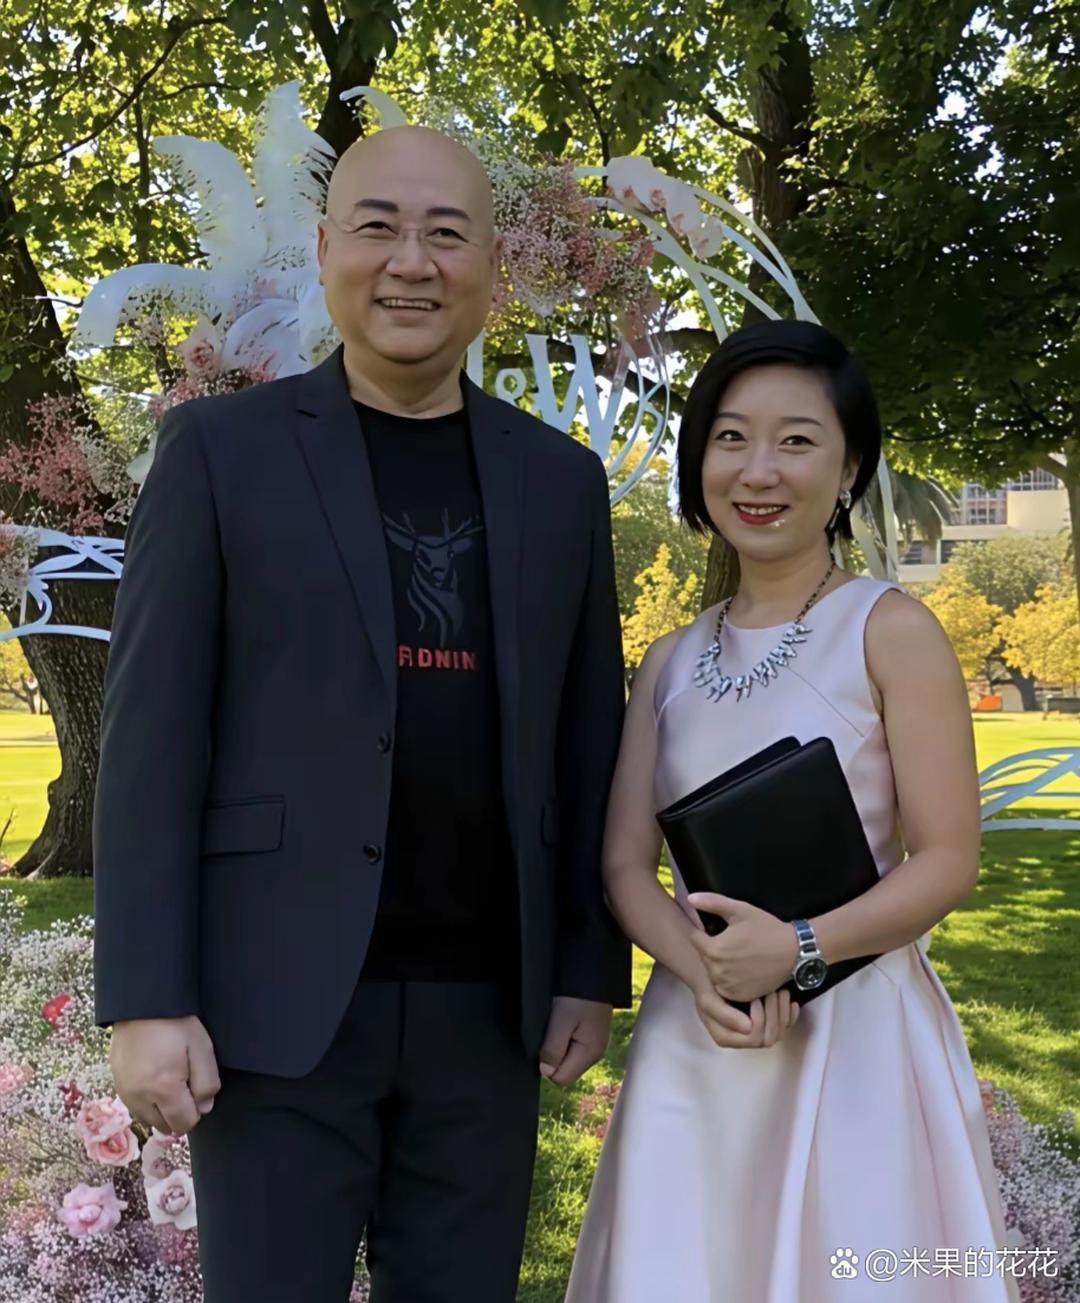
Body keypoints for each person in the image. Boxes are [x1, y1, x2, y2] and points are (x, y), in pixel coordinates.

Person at [93, 125, 630, 1303]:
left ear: (493, 267)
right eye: (380, 227)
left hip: (488, 1014)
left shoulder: (558, 481)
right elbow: (149, 745)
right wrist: (145, 998)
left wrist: (589, 964)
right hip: (273, 1006)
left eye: (447, 233)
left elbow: (589, 738)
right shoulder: (219, 454)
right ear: (328, 249)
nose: (411, 261)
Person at [565, 319, 1018, 1302]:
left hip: (857, 1034)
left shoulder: (890, 630)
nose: (758, 470)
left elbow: (948, 860)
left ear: (848, 469)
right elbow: (623, 865)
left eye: (797, 440)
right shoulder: (669, 661)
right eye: (731, 437)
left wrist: (800, 949)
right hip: (703, 1032)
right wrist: (709, 972)